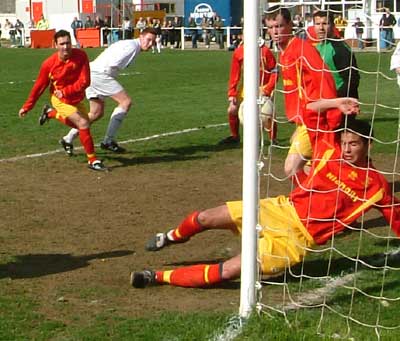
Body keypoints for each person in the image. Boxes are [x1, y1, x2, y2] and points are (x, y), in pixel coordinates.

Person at [131, 97, 400, 289]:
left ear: (369, 145)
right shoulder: (329, 148)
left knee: (232, 270)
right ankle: (170, 237)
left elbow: (396, 219)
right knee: (205, 217)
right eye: (345, 143)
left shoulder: (376, 186)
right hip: (279, 208)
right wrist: (336, 102)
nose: (348, 149)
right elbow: (307, 110)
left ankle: (155, 277)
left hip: (295, 240)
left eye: (354, 144)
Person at [265, 6, 338, 181]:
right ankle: (322, 194)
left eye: (280, 26)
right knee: (311, 165)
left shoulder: (302, 49)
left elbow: (325, 78)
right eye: (271, 27)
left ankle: (311, 202)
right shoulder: (284, 52)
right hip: (303, 120)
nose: (275, 32)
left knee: (291, 168)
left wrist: (333, 117)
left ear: (290, 25)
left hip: (315, 119)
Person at [18, 30, 106, 171]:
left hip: (75, 98)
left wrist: (66, 91)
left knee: (84, 125)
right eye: (62, 44)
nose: (66, 47)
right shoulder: (48, 64)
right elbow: (39, 87)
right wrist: (27, 106)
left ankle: (50, 113)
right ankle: (93, 160)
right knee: (83, 123)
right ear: (55, 45)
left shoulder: (81, 55)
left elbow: (85, 81)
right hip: (60, 100)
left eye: (68, 43)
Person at [59, 28, 157, 155]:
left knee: (96, 113)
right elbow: (113, 63)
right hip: (100, 74)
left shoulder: (130, 45)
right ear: (141, 36)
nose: (149, 44)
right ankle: (108, 141)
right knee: (125, 102)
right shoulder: (131, 47)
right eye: (148, 40)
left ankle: (68, 139)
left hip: (92, 72)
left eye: (153, 42)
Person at [218, 38, 279, 145]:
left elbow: (275, 71)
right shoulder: (239, 52)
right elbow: (234, 74)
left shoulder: (264, 51)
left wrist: (268, 88)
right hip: (246, 87)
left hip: (263, 87)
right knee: (232, 110)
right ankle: (235, 137)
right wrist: (232, 93)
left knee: (268, 113)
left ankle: (273, 139)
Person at [313, 10, 360, 98]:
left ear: (333, 26)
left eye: (325, 23)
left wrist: (337, 99)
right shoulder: (316, 48)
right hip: (322, 101)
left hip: (339, 102)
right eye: (317, 24)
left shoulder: (340, 48)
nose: (321, 28)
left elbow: (352, 80)